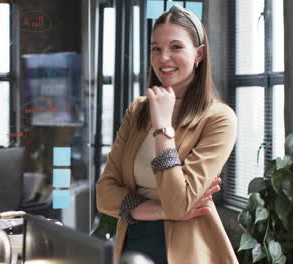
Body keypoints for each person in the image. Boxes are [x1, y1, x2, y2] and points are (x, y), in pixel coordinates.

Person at [96, 5, 238, 264]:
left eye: (176, 47)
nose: (163, 58)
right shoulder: (138, 110)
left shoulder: (219, 119)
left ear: (199, 54)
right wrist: (160, 210)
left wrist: (163, 128)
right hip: (132, 246)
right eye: (156, 48)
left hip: (188, 252)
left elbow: (178, 202)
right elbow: (104, 194)